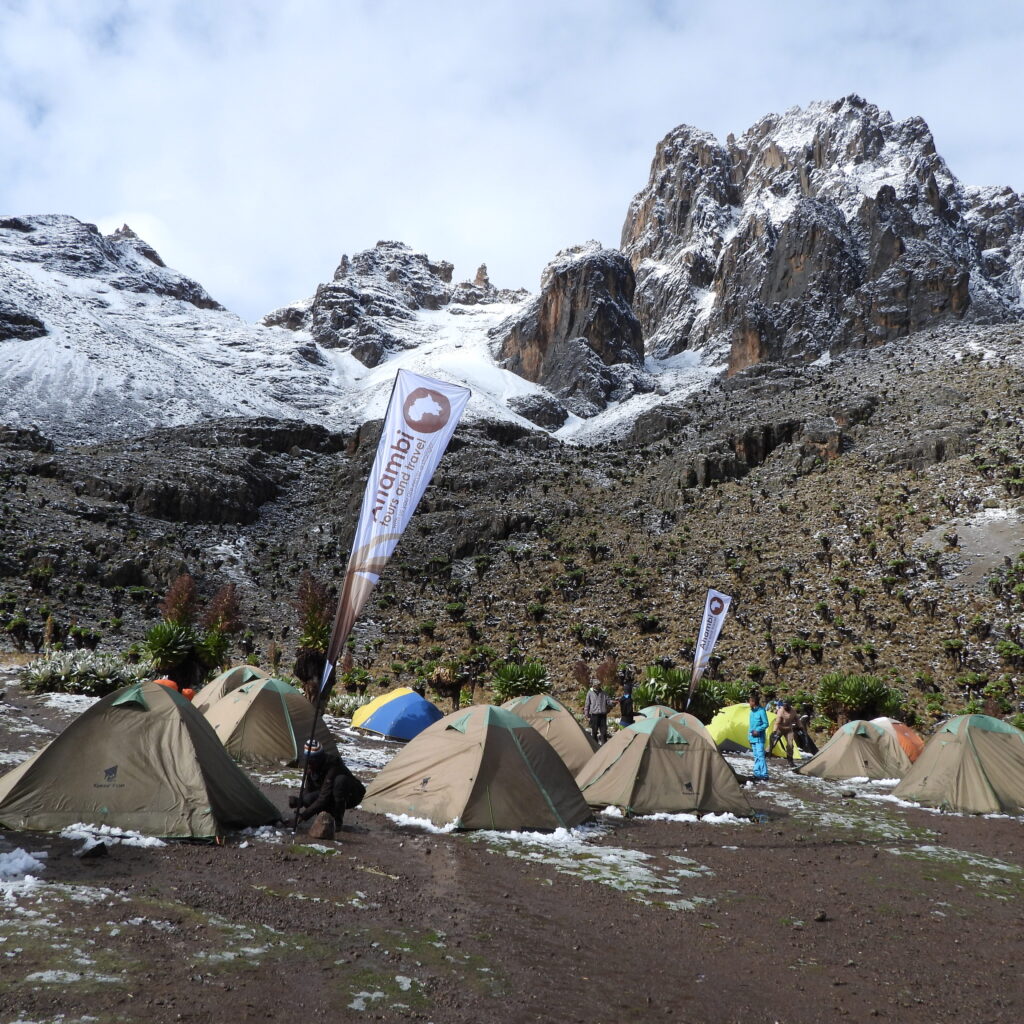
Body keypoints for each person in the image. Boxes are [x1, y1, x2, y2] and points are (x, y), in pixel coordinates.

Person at [289, 739, 366, 829]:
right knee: (308, 799)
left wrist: (303, 816)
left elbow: (324, 798)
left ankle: (337, 822)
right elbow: (308, 790)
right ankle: (324, 817)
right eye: (308, 761)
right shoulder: (311, 767)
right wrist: (300, 802)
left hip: (352, 796)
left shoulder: (333, 764)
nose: (309, 764)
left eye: (312, 761)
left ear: (319, 758)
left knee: (340, 781)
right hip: (329, 792)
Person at [584, 678, 616, 744]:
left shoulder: (604, 693)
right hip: (594, 715)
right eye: (597, 685)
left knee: (603, 732)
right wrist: (586, 714)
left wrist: (612, 702)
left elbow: (608, 701)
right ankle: (595, 746)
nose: (599, 686)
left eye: (599, 684)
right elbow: (587, 704)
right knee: (594, 732)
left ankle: (605, 746)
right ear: (594, 685)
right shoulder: (590, 693)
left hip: (602, 715)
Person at [748, 690, 770, 781]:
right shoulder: (751, 712)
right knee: (756, 756)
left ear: (754, 702)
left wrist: (758, 730)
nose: (749, 703)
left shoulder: (761, 711)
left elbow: (766, 724)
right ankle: (757, 773)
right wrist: (749, 737)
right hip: (752, 737)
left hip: (759, 738)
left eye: (750, 701)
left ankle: (764, 774)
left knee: (761, 756)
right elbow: (750, 726)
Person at [773, 700, 800, 768]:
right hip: (780, 728)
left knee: (790, 744)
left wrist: (800, 726)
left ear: (789, 706)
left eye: (786, 706)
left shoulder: (793, 711)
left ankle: (790, 760)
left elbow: (797, 719)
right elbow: (777, 722)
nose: (785, 707)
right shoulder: (781, 711)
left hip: (788, 729)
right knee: (773, 742)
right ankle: (765, 754)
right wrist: (774, 731)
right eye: (784, 706)